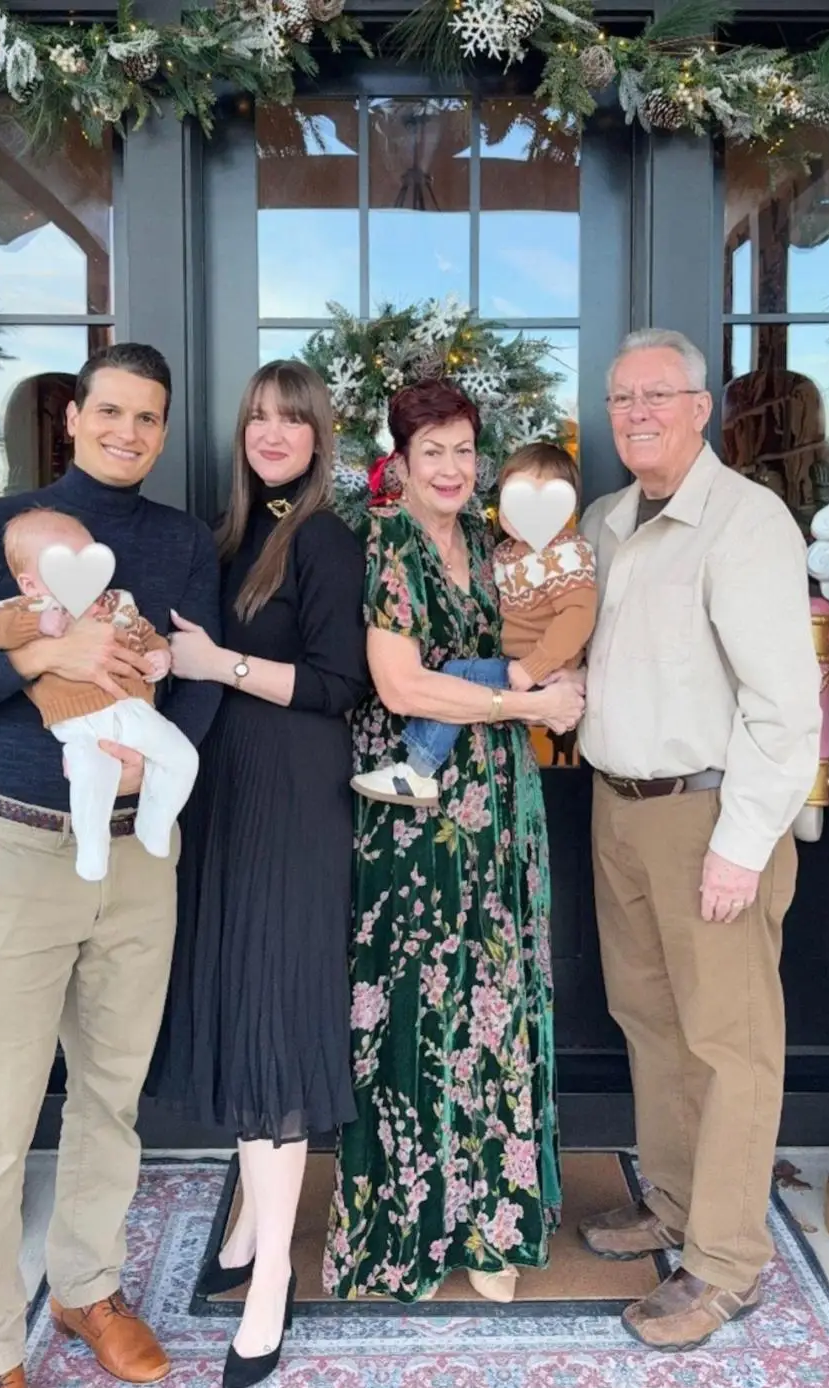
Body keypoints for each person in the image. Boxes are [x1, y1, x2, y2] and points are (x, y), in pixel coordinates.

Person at [0, 343, 222, 1388]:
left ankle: (86, 1289)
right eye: (113, 412)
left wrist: (157, 747)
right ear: (74, 417)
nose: (130, 432)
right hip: (21, 852)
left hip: (140, 859)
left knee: (112, 1096)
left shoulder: (179, 541)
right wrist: (41, 659)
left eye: (151, 418)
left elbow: (195, 674)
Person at [575, 328, 820, 1350]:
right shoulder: (604, 521)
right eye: (622, 398)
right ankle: (671, 1204)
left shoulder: (745, 523)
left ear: (700, 407)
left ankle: (726, 1264)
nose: (636, 413)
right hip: (616, 806)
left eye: (657, 397)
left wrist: (744, 841)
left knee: (731, 1045)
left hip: (710, 814)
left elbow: (785, 702)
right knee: (651, 1023)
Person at [323, 379, 583, 1304]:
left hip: (503, 807)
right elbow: (399, 687)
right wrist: (523, 703)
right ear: (399, 462)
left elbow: (549, 633)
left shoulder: (495, 543)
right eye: (431, 450)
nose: (451, 467)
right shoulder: (387, 545)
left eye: (464, 450)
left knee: (500, 1006)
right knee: (416, 1013)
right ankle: (412, 1229)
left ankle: (494, 1226)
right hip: (413, 815)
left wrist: (566, 679)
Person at [145, 360, 369, 1388]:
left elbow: (334, 685)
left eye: (291, 419)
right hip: (226, 801)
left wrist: (216, 666)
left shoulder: (323, 538)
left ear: (320, 436)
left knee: (274, 1025)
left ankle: (273, 1272)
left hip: (293, 803)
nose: (270, 432)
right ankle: (247, 1222)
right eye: (256, 417)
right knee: (241, 1008)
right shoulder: (225, 536)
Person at [352, 440, 595, 807]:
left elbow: (578, 617)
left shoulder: (564, 554)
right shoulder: (503, 550)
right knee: (458, 675)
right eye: (512, 498)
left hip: (536, 670)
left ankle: (417, 769)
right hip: (518, 667)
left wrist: (536, 668)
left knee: (456, 676)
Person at [0, 509, 196, 882]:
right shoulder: (28, 609)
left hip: (132, 710)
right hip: (77, 720)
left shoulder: (118, 603)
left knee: (182, 756)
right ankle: (92, 849)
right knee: (93, 775)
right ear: (30, 584)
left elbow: (145, 633)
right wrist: (40, 624)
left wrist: (160, 654)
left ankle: (155, 822)